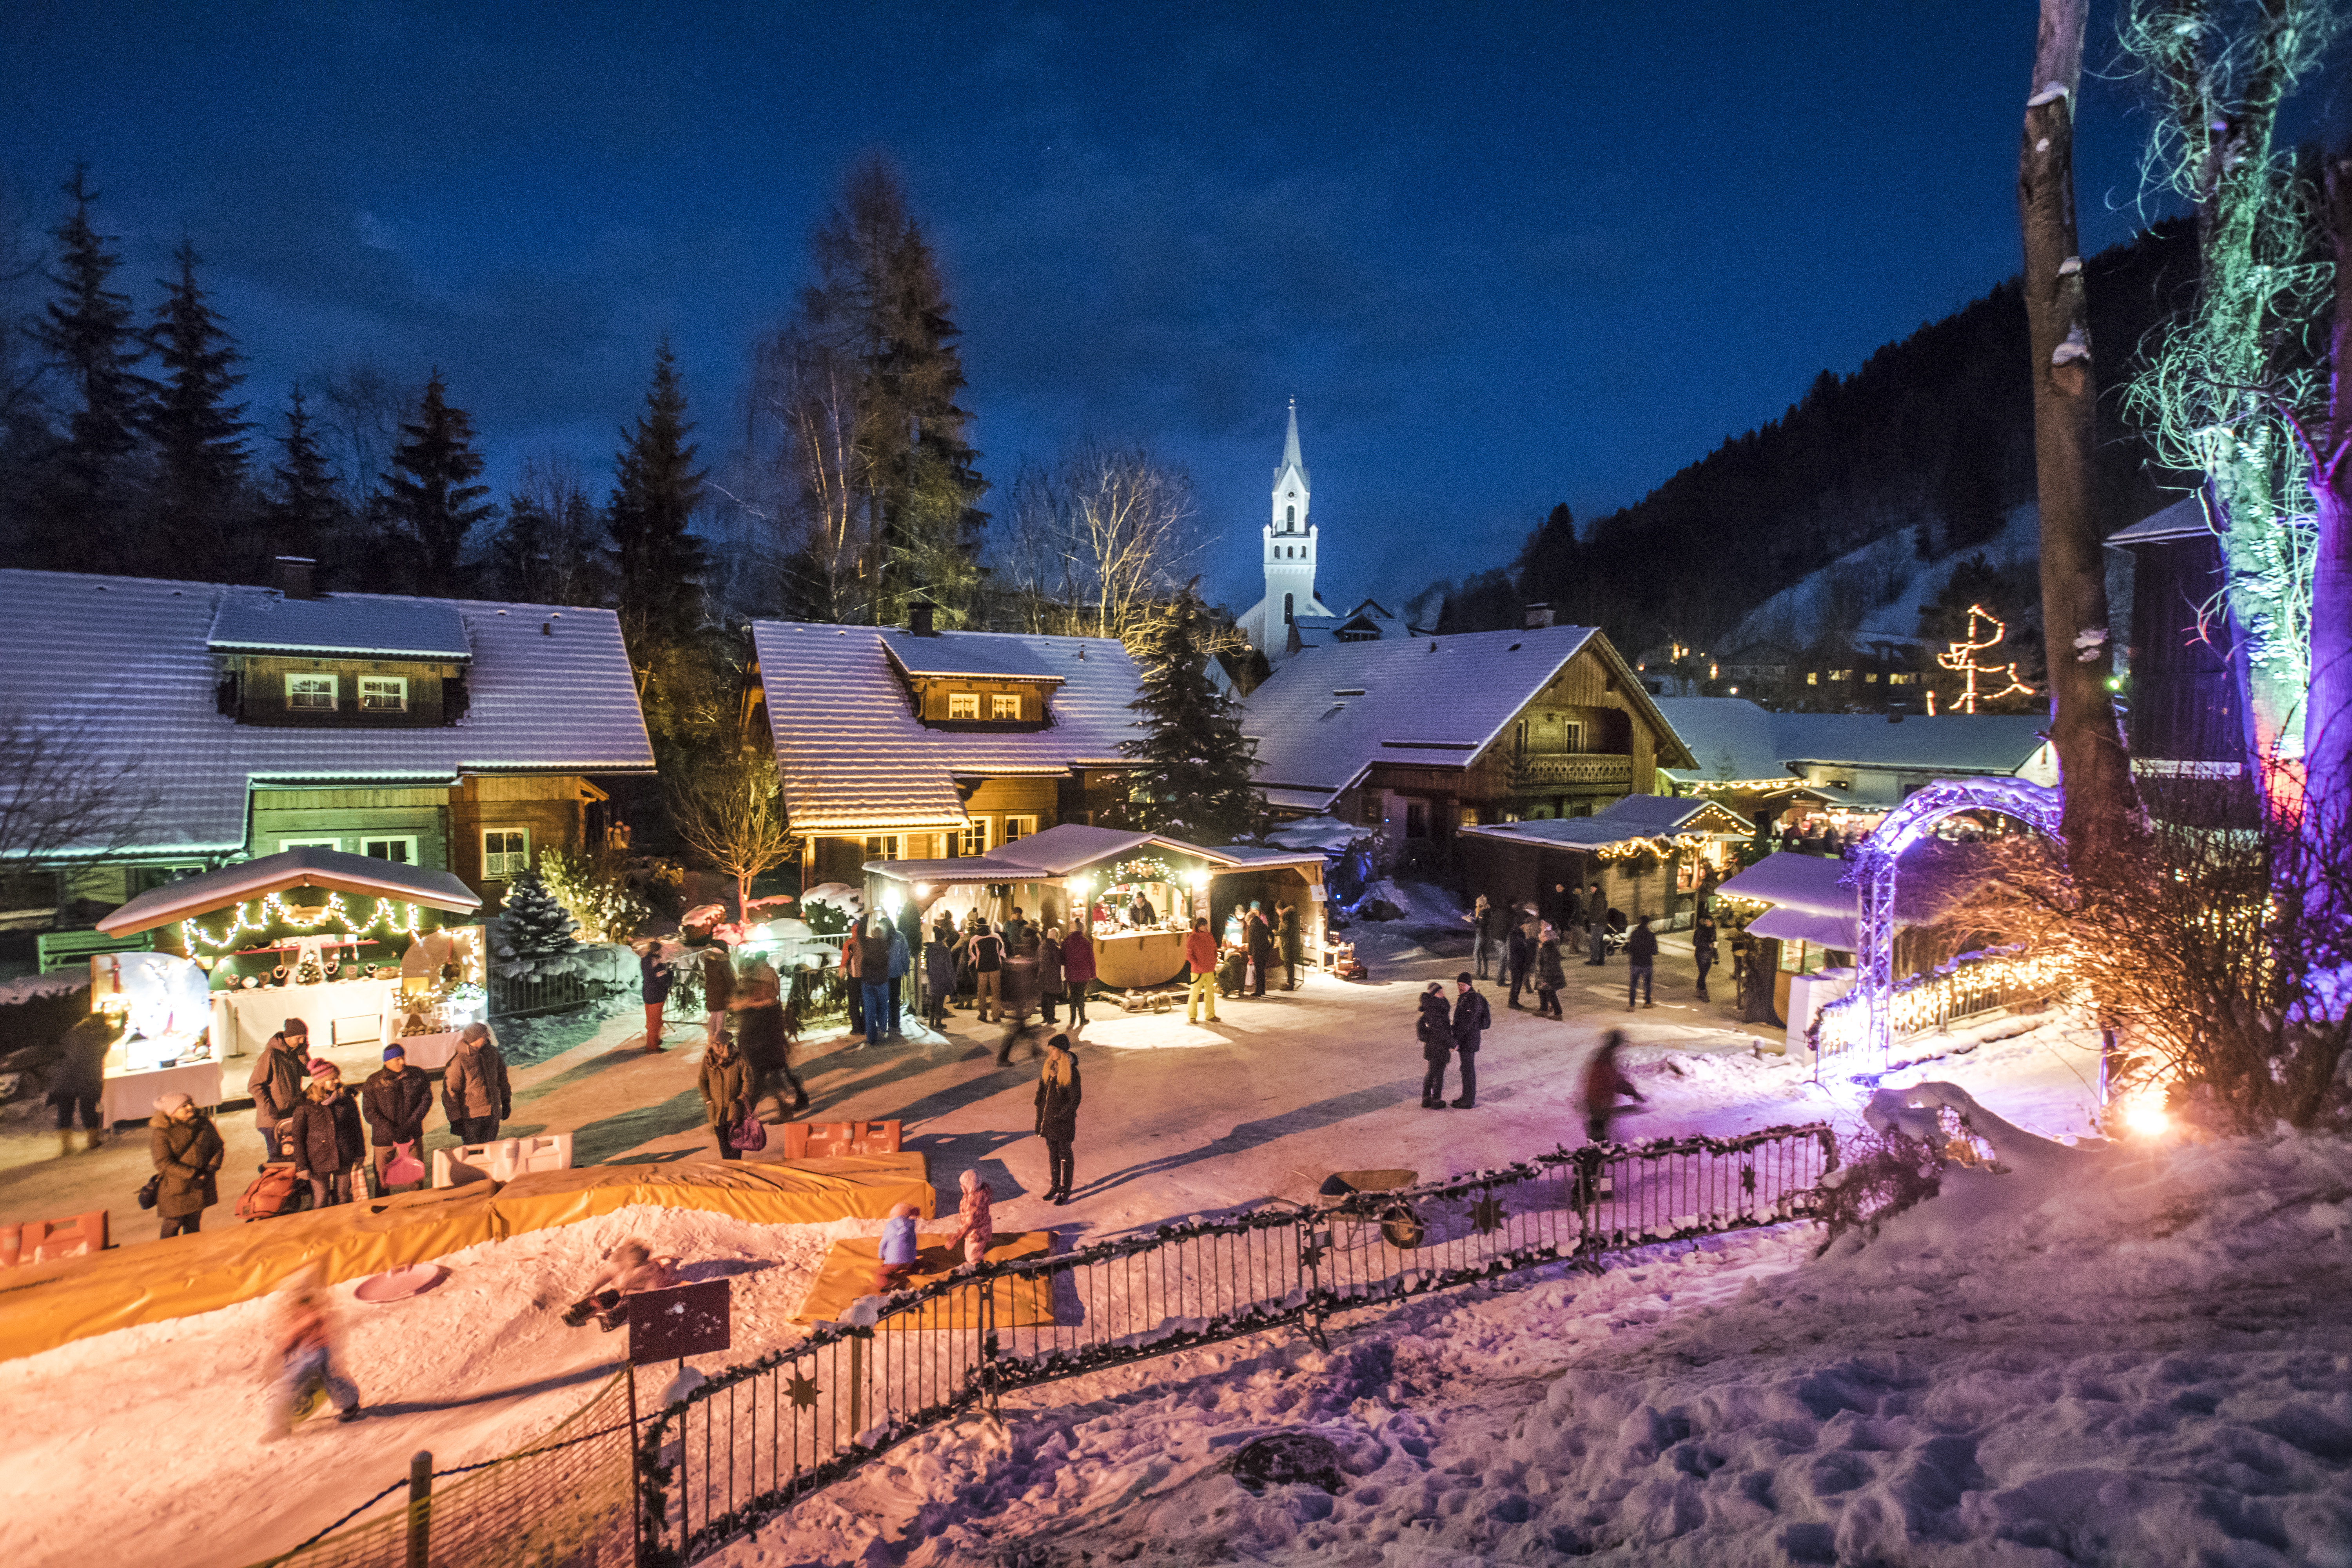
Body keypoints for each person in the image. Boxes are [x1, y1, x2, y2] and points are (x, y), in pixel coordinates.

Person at [272, 1266, 361, 1433]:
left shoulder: (312, 1309)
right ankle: (281, 1421)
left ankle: (350, 1405)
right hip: (309, 1351)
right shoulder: (300, 1308)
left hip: (319, 1352)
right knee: (318, 1378)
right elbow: (298, 1332)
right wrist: (290, 1346)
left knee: (323, 1379)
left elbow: (307, 1325)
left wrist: (290, 1342)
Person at [732, 958, 809, 1117]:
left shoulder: (758, 991)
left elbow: (762, 1017)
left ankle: (747, 1116)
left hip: (763, 1044)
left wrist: (747, 1006)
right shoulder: (756, 990)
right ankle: (790, 1105)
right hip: (765, 1043)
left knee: (764, 1080)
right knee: (772, 1077)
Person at [289, 1061, 365, 1209]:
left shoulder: (346, 1099)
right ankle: (322, 1229)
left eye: (337, 1077)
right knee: (321, 1199)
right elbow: (298, 1138)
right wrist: (302, 1166)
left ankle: (343, 1226)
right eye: (333, 1078)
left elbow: (356, 1128)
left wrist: (360, 1153)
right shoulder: (306, 1104)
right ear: (321, 1081)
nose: (337, 1081)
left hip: (344, 1155)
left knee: (343, 1197)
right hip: (317, 1159)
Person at [149, 1091, 223, 1238]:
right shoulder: (162, 1133)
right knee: (173, 1223)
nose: (190, 1107)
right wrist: (193, 1174)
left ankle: (193, 1255)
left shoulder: (203, 1124)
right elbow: (163, 1163)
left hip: (200, 1184)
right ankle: (167, 1256)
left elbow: (218, 1147)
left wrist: (210, 1169)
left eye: (191, 1104)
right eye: (184, 1106)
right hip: (177, 1188)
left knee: (194, 1223)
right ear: (172, 1112)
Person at [561, 1241, 681, 1330]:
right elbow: (607, 1274)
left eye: (635, 1263)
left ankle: (611, 1319)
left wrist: (632, 1295)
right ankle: (578, 1314)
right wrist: (591, 1290)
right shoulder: (626, 1262)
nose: (632, 1264)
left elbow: (649, 1294)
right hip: (618, 1292)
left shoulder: (652, 1270)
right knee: (605, 1298)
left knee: (625, 1305)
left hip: (632, 1297)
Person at [361, 1044, 432, 1195]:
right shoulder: (374, 1082)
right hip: (385, 1139)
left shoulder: (417, 1075)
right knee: (382, 1178)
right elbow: (370, 1112)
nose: (403, 1063)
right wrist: (392, 1129)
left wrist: (411, 1124)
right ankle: (383, 1206)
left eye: (403, 1058)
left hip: (412, 1134)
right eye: (398, 1059)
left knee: (417, 1175)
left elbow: (426, 1100)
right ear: (387, 1062)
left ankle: (417, 1203)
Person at [48, 1011, 113, 1156]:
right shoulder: (102, 1035)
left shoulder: (73, 1033)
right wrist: (122, 1018)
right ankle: (92, 1142)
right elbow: (118, 1032)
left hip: (65, 1078)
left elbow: (63, 1048)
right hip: (88, 1078)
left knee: (65, 1112)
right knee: (88, 1110)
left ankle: (66, 1147)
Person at [247, 1018, 311, 1161]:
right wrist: (269, 1110)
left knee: (297, 1158)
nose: (302, 1041)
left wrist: (302, 1053)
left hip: (290, 1115)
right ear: (288, 1037)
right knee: (280, 1161)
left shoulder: (294, 1053)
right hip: (273, 1121)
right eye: (299, 1038)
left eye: (304, 1038)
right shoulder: (271, 1055)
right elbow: (254, 1085)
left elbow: (308, 1071)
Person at [443, 1021, 511, 1146]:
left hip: (493, 1113)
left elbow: (502, 1078)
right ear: (475, 1038)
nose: (487, 1037)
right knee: (475, 1154)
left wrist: (506, 1101)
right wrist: (455, 1120)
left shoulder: (492, 1053)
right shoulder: (459, 1061)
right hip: (472, 1117)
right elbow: (451, 1092)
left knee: (490, 1150)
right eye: (485, 1035)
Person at [1034, 1033, 1082, 1204]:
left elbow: (1074, 1100)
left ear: (1061, 1051)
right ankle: (1054, 1186)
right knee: (1052, 1153)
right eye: (1050, 1049)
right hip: (1048, 1120)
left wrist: (1059, 1115)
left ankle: (1065, 1189)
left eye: (1053, 1049)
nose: (1051, 1052)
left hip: (1062, 1122)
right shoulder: (1049, 1067)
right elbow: (1042, 1089)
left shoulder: (1072, 1073)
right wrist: (1039, 1103)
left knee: (1065, 1154)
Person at [698, 1025, 756, 1161]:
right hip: (717, 1109)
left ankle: (736, 1166)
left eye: (719, 1044)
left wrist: (742, 1098)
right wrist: (708, 1099)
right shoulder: (708, 1059)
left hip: (734, 1108)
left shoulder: (738, 1058)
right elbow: (702, 1080)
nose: (716, 1047)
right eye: (714, 1044)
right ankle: (727, 1166)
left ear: (726, 1044)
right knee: (723, 1141)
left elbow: (748, 1079)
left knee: (736, 1141)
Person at [1583, 1031, 1647, 1142]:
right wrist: (1601, 1106)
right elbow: (1613, 1081)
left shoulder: (1605, 1057)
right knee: (1599, 1140)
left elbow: (1616, 1080)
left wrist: (1633, 1093)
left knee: (1600, 1138)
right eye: (1619, 1045)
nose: (1620, 1048)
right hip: (1598, 1105)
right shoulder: (1603, 1060)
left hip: (1600, 1104)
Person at [1450, 972, 1490, 1108]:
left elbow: (1466, 1023)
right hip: (1467, 1040)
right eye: (1459, 984)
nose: (1460, 987)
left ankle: (1468, 1101)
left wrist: (1455, 1040)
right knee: (1466, 1069)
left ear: (1470, 985)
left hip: (1469, 1040)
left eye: (1463, 985)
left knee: (1468, 1070)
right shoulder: (1465, 997)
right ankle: (1466, 1097)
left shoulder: (1472, 1000)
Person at [997, 946, 1041, 1065]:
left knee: (1021, 1027)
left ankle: (1035, 1050)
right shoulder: (1020, 965)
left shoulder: (1011, 964)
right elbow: (1022, 985)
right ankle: (1002, 1058)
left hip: (1017, 1001)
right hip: (1017, 1001)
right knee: (1017, 1030)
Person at [946, 1168, 995, 1269]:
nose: (961, 1187)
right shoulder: (978, 1193)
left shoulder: (973, 1202)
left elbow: (969, 1222)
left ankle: (979, 1273)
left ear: (970, 1186)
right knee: (974, 1251)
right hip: (982, 1229)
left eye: (963, 1185)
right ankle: (977, 1267)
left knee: (973, 1255)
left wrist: (955, 1238)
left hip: (976, 1233)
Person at [858, 916, 895, 1048]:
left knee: (869, 1010)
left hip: (868, 982)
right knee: (883, 1007)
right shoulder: (886, 945)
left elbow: (860, 932)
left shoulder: (866, 945)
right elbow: (893, 932)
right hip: (882, 982)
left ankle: (872, 1038)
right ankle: (883, 1029)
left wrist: (866, 917)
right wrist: (887, 917)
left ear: (872, 935)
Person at [1416, 982, 1454, 1109]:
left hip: (1435, 1046)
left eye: (1443, 992)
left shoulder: (1434, 1008)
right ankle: (1436, 1100)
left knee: (1432, 1072)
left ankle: (1427, 1098)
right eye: (1439, 993)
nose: (1442, 995)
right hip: (1438, 1046)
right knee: (1438, 1073)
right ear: (1433, 995)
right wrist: (1452, 1042)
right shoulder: (1435, 1010)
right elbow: (1439, 1031)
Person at [637, 938, 675, 1052]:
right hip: (657, 995)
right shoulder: (658, 965)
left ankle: (654, 1040)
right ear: (657, 951)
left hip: (648, 993)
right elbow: (664, 981)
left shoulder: (645, 960)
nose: (663, 952)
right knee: (655, 1022)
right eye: (661, 950)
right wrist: (671, 973)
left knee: (651, 1020)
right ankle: (652, 1046)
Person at [875, 1203, 924, 1290]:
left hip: (893, 1263)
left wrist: (881, 1256)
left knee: (881, 1273)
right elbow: (913, 1243)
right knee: (911, 1264)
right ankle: (916, 1269)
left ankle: (886, 1285)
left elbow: (883, 1244)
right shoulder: (911, 1225)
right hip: (909, 1262)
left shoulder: (890, 1226)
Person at [965, 918, 1005, 1023]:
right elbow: (1002, 952)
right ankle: (996, 1015)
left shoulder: (974, 939)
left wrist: (972, 966)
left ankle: (983, 1015)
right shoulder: (996, 936)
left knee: (982, 992)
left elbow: (972, 956)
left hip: (982, 968)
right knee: (996, 992)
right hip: (996, 967)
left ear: (977, 927)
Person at [1183, 915, 1220, 1024]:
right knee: (1195, 994)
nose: (1205, 927)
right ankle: (1192, 1016)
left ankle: (1210, 1015)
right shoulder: (1192, 938)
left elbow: (1214, 951)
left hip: (1209, 970)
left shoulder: (1210, 937)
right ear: (1198, 926)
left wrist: (1214, 962)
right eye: (1203, 925)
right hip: (1198, 972)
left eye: (1206, 925)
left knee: (1210, 995)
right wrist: (1197, 964)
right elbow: (1188, 955)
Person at [1060, 920, 1095, 1025]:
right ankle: (1082, 1018)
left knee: (1073, 995)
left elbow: (1062, 958)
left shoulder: (1066, 942)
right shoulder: (1086, 942)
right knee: (1081, 995)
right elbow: (1091, 959)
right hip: (1083, 974)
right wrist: (1093, 973)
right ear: (1082, 930)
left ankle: (1072, 1019)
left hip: (1071, 974)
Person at [923, 928, 956, 1029]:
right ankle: (938, 1023)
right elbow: (949, 968)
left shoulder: (930, 949)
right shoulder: (945, 950)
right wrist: (954, 981)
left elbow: (927, 965)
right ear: (944, 938)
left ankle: (931, 1022)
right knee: (940, 1001)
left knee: (933, 1000)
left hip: (932, 978)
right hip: (942, 979)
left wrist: (929, 975)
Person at [1625, 915, 1658, 1009]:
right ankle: (1647, 1003)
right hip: (1647, 963)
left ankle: (1632, 1005)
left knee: (1633, 985)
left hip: (1636, 963)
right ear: (1648, 924)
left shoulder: (1634, 934)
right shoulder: (1651, 935)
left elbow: (1630, 948)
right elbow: (1655, 951)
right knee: (1647, 984)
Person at [1535, 922, 1566, 1019]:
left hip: (1549, 976)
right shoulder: (1550, 948)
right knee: (1542, 991)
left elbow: (1548, 965)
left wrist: (1545, 978)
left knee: (1550, 992)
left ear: (1546, 939)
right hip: (1549, 975)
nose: (1540, 937)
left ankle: (1558, 1013)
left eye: (1542, 937)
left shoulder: (1547, 949)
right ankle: (1544, 1010)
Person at [1504, 915, 1534, 1010]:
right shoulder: (1515, 935)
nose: (1526, 926)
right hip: (1516, 963)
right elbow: (1520, 948)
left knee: (1518, 982)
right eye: (1524, 924)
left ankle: (1514, 1000)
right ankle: (1512, 1001)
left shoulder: (1518, 933)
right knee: (1516, 983)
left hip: (1518, 962)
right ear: (1521, 925)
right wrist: (1529, 943)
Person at [1245, 901, 1274, 997]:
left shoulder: (1252, 927)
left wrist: (1250, 953)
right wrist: (1270, 946)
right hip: (1265, 951)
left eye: (1247, 922)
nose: (1248, 924)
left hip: (1257, 952)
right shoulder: (1262, 925)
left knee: (1259, 972)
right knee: (1262, 971)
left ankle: (1259, 991)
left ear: (1250, 919)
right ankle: (1262, 990)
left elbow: (1251, 941)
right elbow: (1272, 935)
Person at [1693, 912, 1718, 1000]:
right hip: (1701, 955)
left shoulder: (1713, 930)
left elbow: (1715, 943)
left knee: (1703, 974)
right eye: (1706, 921)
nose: (1708, 923)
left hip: (1710, 955)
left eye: (1710, 921)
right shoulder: (1699, 931)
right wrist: (1707, 945)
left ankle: (1698, 990)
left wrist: (1716, 956)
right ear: (1703, 922)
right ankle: (1704, 993)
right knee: (1703, 974)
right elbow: (1695, 943)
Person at [1277, 900, 1302, 989]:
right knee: (1290, 964)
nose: (1277, 912)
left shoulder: (1286, 917)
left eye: (1278, 910)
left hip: (1287, 945)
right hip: (1290, 944)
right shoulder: (1291, 916)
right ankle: (1290, 982)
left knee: (1289, 964)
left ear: (1281, 910)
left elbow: (1285, 931)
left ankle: (1290, 983)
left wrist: (1276, 933)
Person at [1470, 894, 1495, 980]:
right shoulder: (1487, 911)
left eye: (1477, 903)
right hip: (1485, 935)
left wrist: (1472, 920)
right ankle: (1485, 974)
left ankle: (1478, 973)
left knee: (1476, 953)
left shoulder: (1483, 912)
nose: (1476, 904)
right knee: (1484, 954)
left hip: (1481, 935)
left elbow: (1482, 924)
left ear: (1480, 903)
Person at [1585, 883, 1609, 965]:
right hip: (1600, 923)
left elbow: (1600, 911)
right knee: (1599, 942)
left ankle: (1595, 960)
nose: (1592, 889)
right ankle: (1600, 960)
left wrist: (1594, 921)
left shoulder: (1598, 898)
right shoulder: (1598, 897)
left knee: (1595, 942)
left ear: (1597, 888)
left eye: (1593, 888)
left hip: (1598, 923)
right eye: (1591, 888)